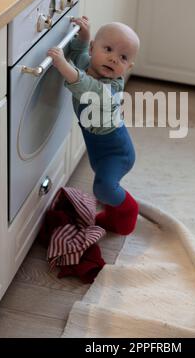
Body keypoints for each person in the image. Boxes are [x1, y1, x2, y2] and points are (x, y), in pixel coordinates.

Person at [47, 16, 140, 235]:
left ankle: (129, 209)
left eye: (123, 57)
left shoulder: (112, 87)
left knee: (103, 189)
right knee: (103, 184)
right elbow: (78, 53)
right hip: (99, 150)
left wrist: (61, 64)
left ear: (128, 67)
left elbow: (86, 86)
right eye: (107, 49)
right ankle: (113, 215)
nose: (114, 59)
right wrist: (85, 34)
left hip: (117, 153)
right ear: (93, 48)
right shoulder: (89, 64)